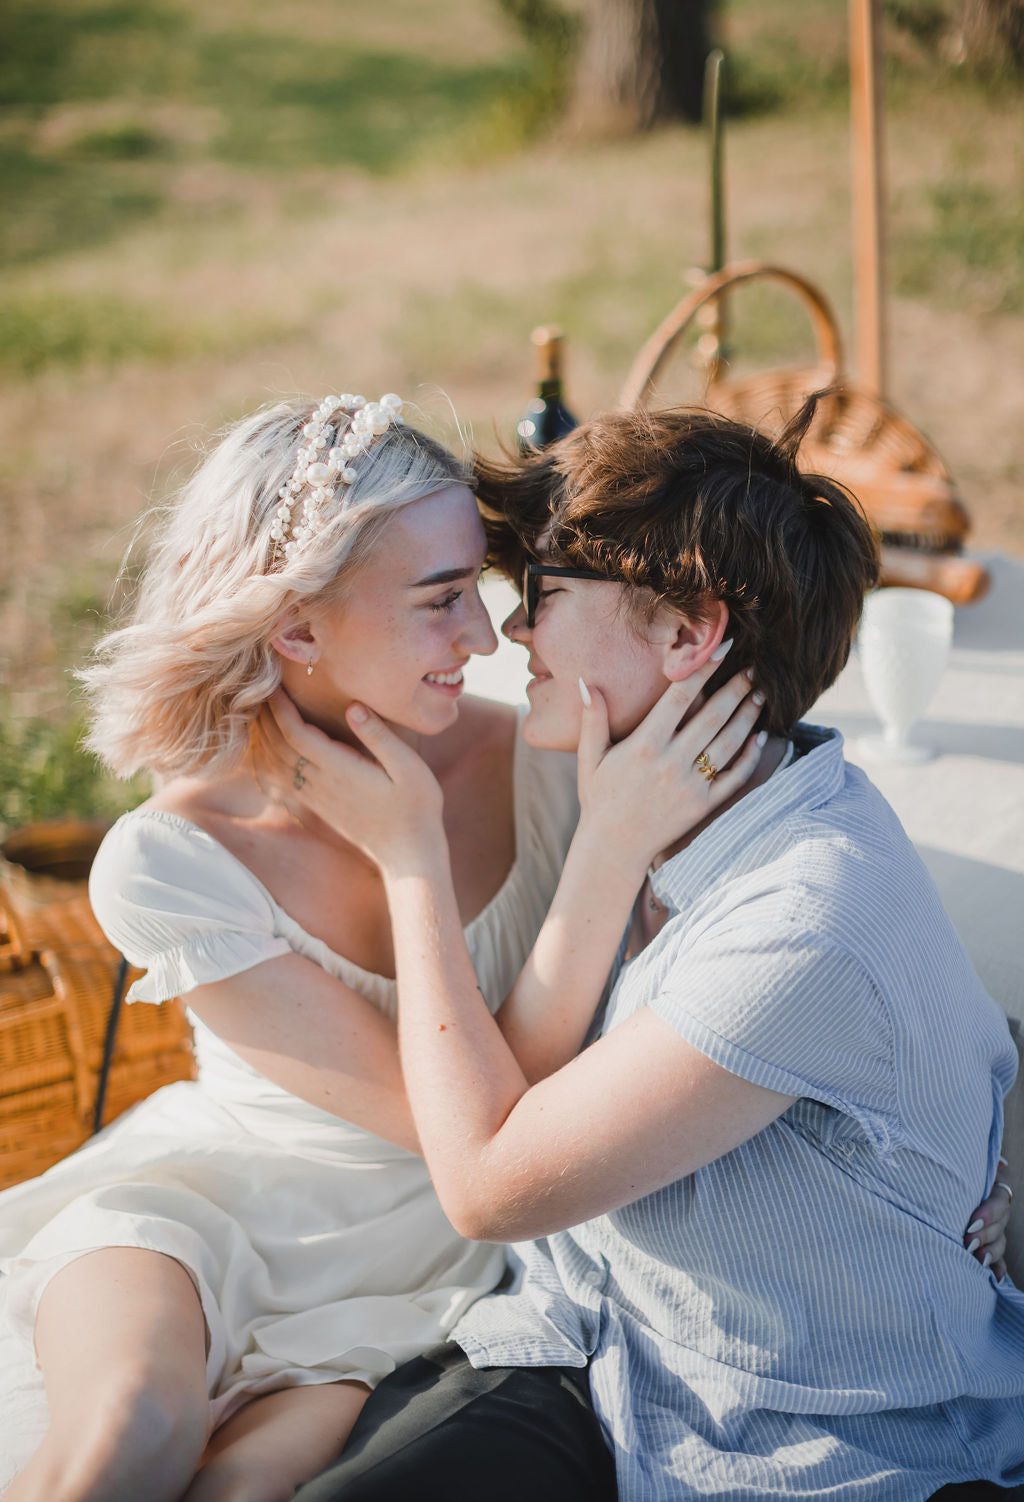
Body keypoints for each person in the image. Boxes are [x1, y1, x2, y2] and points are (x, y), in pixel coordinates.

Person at [0, 393, 1008, 1502]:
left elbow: (492, 1156)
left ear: (687, 632)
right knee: (120, 1434)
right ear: (296, 628)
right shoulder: (178, 856)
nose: (496, 636)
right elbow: (480, 1122)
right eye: (453, 598)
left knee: (251, 1487)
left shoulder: (594, 784)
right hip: (267, 1211)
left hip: (465, 1268)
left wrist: (436, 858)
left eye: (518, 595)